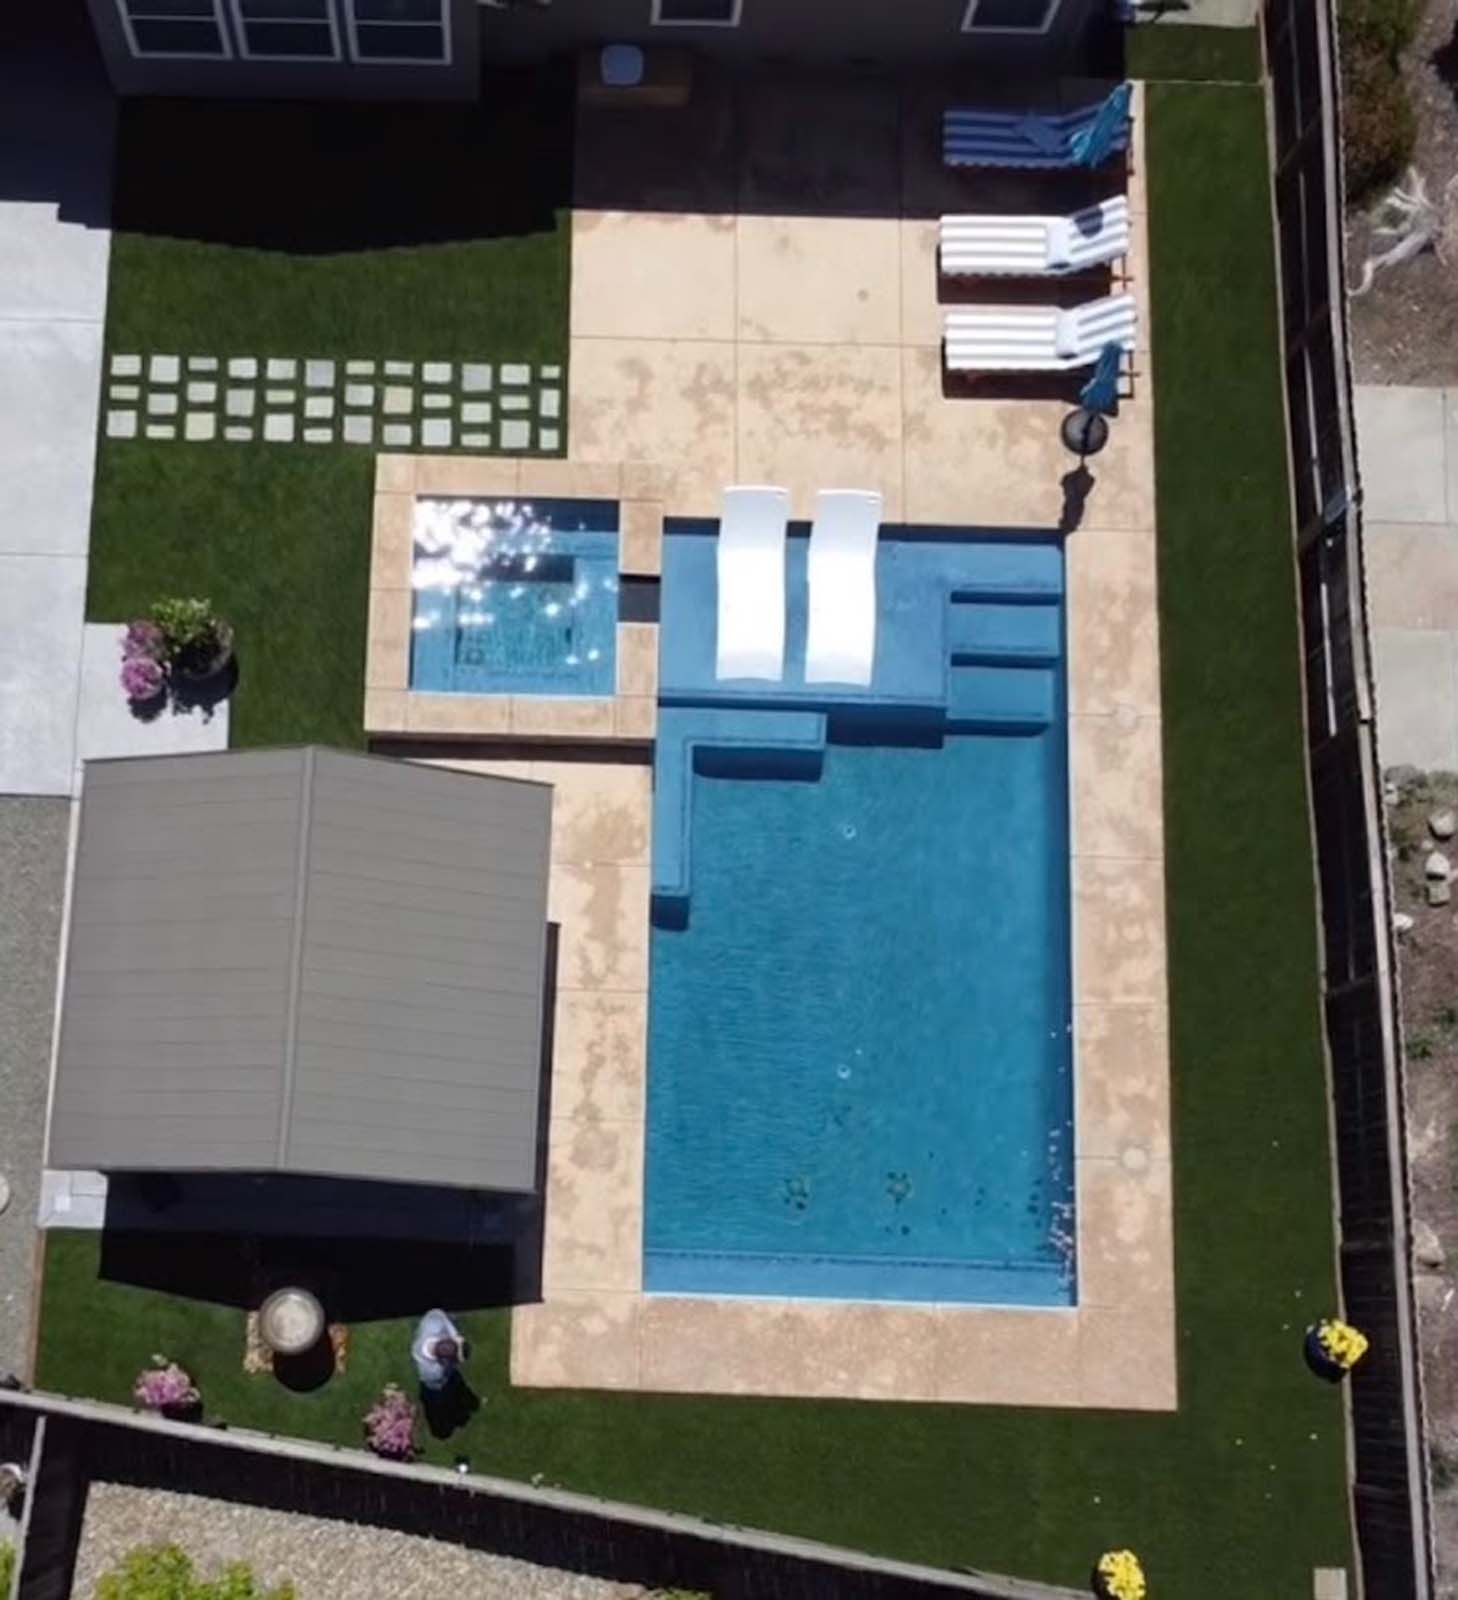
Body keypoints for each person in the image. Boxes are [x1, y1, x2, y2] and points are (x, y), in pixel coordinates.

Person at [410, 1308, 466, 1392]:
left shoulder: (434, 1324)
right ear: (444, 1361)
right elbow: (434, 1385)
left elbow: (438, 1313)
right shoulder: (434, 1371)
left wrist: (455, 1335)